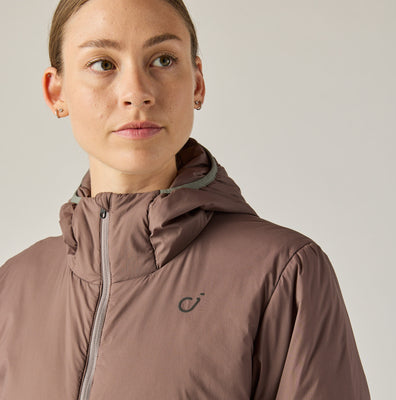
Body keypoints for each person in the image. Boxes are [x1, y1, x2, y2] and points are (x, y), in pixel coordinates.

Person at [0, 0, 370, 398]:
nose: (136, 93)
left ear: (196, 82)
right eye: (103, 64)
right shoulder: (13, 286)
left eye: (162, 60)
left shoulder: (283, 273)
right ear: (56, 92)